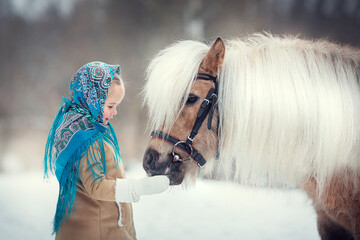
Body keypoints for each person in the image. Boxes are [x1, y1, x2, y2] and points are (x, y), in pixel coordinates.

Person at [44, 61, 169, 240]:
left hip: (94, 226)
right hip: (97, 230)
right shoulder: (87, 138)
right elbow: (96, 185)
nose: (115, 111)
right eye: (110, 106)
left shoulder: (81, 127)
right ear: (92, 100)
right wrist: (137, 188)